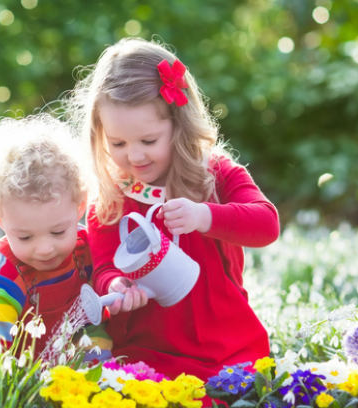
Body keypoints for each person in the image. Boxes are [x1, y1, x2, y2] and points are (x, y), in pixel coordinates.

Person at [69, 38, 280, 381]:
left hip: (225, 343)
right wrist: (117, 284)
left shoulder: (214, 174)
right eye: (118, 143)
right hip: (147, 349)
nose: (134, 156)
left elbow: (266, 224)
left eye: (148, 141)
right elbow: (105, 263)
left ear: (179, 126)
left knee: (231, 403)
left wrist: (204, 216)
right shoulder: (112, 194)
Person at [0, 114, 111, 357]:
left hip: (67, 377)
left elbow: (91, 322)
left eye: (58, 232)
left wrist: (96, 366)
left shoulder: (87, 252)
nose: (45, 248)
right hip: (15, 381)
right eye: (25, 237)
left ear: (80, 206)